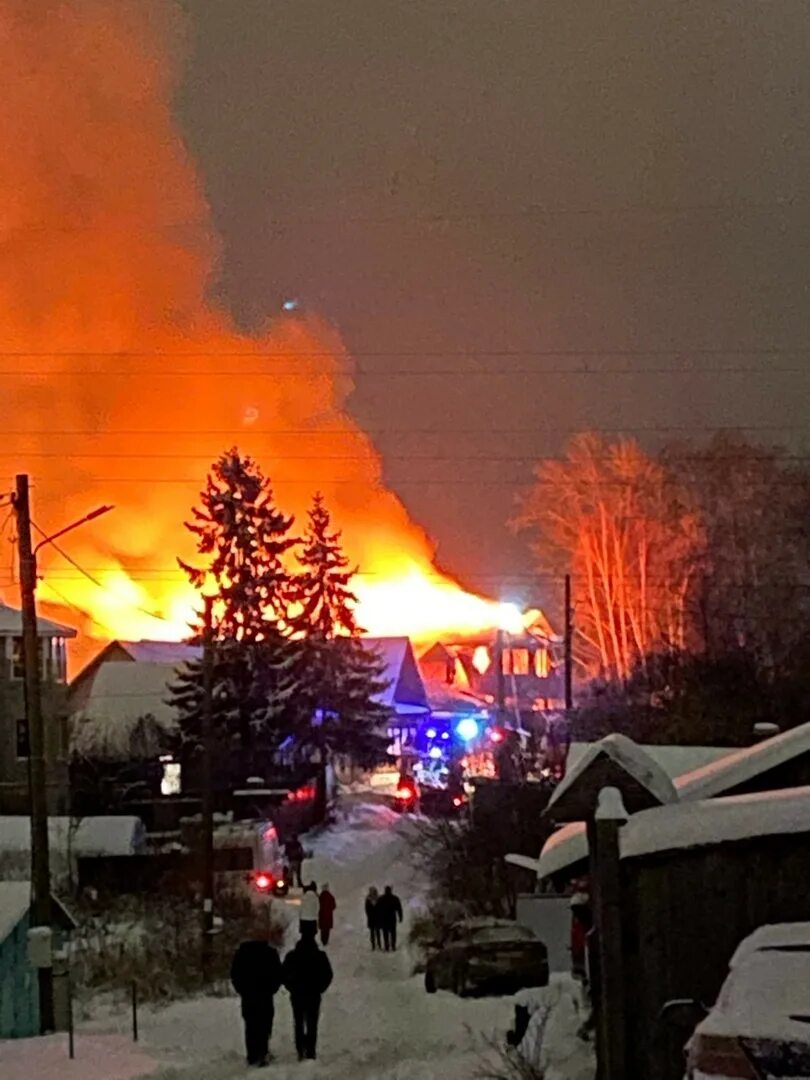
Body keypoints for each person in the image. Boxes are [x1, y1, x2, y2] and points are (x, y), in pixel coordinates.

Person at [230, 926, 283, 1068]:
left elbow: (235, 974)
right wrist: (272, 989)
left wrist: (242, 990)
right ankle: (263, 1052)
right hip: (265, 996)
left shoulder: (242, 953)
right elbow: (278, 974)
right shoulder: (270, 953)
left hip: (249, 996)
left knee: (251, 1025)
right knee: (264, 1025)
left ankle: (252, 1054)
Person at [281, 934, 333, 1061]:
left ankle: (300, 1049)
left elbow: (283, 974)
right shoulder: (320, 956)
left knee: (298, 1022)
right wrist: (320, 988)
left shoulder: (292, 956)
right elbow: (328, 974)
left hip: (297, 994)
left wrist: (291, 987)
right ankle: (311, 1050)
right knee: (312, 1023)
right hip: (313, 994)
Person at [376, 885, 403, 952]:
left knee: (385, 933)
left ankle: (387, 946)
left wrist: (378, 919)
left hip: (384, 918)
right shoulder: (395, 898)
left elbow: (377, 910)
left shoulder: (381, 899)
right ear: (391, 890)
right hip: (392, 918)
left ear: (385, 890)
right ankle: (393, 946)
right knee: (393, 932)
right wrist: (400, 917)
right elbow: (399, 909)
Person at [365, 887, 381, 951]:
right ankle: (375, 945)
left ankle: (376, 945)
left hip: (372, 918)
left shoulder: (368, 899)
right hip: (374, 918)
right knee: (375, 932)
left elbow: (366, 909)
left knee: (375, 932)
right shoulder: (377, 899)